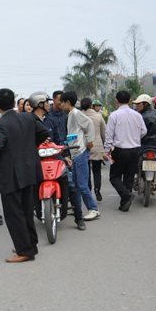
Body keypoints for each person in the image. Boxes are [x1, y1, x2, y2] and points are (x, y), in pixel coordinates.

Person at [0, 88, 48, 262]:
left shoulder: (2, 124)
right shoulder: (28, 117)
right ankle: (31, 245)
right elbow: (44, 132)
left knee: (14, 214)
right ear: (14, 103)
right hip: (29, 171)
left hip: (11, 175)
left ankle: (24, 251)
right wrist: (29, 147)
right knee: (27, 211)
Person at [30, 92, 71, 224]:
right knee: (31, 185)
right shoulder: (27, 121)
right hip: (35, 158)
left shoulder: (51, 120)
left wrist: (65, 155)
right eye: (46, 102)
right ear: (39, 104)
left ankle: (78, 216)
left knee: (69, 181)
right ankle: (33, 210)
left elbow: (59, 140)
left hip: (54, 156)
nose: (49, 105)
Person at [104, 90, 147, 212]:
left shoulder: (114, 115)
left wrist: (107, 150)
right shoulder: (137, 115)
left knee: (114, 177)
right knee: (128, 177)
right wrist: (135, 138)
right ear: (129, 100)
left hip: (120, 150)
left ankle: (126, 196)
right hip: (134, 150)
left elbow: (109, 134)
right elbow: (144, 131)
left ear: (117, 101)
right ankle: (124, 205)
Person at [60, 91, 98, 223]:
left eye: (62, 102)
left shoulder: (76, 113)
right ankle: (79, 210)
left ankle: (93, 209)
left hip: (81, 152)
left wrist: (90, 141)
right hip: (75, 153)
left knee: (81, 184)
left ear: (68, 103)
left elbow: (89, 124)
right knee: (76, 184)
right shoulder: (71, 114)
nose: (60, 105)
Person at [81, 97, 106, 202]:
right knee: (97, 171)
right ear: (91, 105)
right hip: (96, 146)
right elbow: (103, 133)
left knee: (86, 172)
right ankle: (97, 189)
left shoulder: (79, 116)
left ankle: (89, 191)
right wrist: (103, 144)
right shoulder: (98, 116)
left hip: (82, 147)